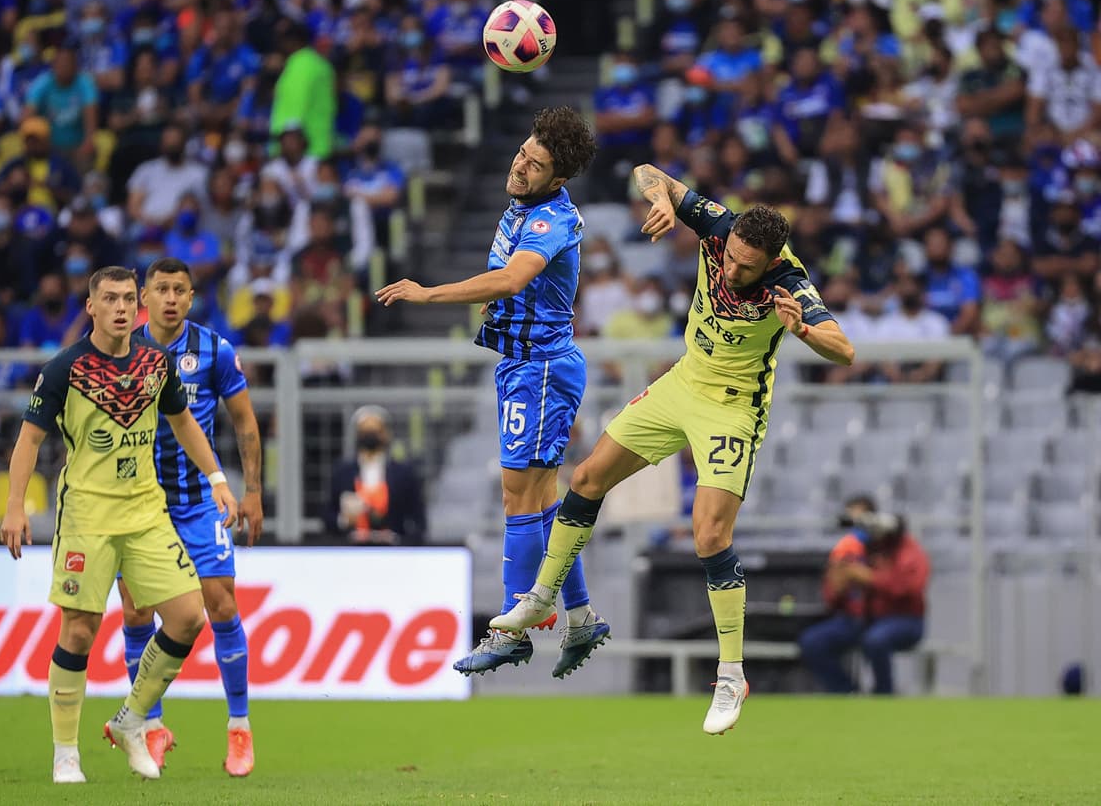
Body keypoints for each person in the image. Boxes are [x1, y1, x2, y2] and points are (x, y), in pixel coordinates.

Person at [492, 164, 855, 735]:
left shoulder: (789, 280)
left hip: (733, 406)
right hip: (682, 382)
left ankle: (731, 674)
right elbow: (645, 171)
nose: (731, 267)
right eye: (729, 256)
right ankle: (542, 597)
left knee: (710, 534)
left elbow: (845, 349)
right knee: (585, 479)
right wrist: (660, 195)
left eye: (744, 266)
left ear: (770, 262)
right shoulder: (718, 225)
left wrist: (805, 331)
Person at [376, 106, 608, 679]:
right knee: (542, 499)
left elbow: (512, 277)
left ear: (558, 178)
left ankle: (509, 628)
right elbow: (516, 286)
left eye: (536, 164)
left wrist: (427, 294)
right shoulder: (522, 205)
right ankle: (579, 618)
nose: (521, 166)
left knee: (517, 496)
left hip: (542, 368)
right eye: (523, 153)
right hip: (523, 365)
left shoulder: (550, 218)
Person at [0, 265, 245, 784]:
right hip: (88, 516)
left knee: (187, 616)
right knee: (81, 630)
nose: (119, 307)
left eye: (127, 299)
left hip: (145, 512)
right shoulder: (65, 367)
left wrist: (218, 477)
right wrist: (15, 506)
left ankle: (132, 719)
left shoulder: (157, 365)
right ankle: (66, 752)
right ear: (90, 307)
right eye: (108, 298)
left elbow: (184, 423)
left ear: (138, 307)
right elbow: (28, 440)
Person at [116, 257, 265, 777]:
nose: (172, 298)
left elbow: (244, 422)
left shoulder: (214, 350)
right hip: (136, 504)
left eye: (180, 289)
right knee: (136, 612)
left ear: (192, 296)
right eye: (162, 289)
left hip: (200, 500)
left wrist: (253, 492)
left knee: (221, 604)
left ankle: (239, 728)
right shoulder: (122, 351)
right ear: (144, 298)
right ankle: (151, 727)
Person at [799, 504, 929, 695]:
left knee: (876, 639)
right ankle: (847, 693)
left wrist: (869, 577)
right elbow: (833, 597)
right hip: (862, 619)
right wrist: (838, 587)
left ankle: (884, 695)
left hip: (903, 619)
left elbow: (909, 587)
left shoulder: (908, 550)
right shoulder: (856, 548)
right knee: (812, 641)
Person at [326, 405, 427, 545]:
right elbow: (327, 517)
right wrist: (345, 520)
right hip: (352, 551)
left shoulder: (403, 473)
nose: (370, 435)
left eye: (375, 430)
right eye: (365, 431)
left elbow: (418, 520)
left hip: (393, 552)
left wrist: (403, 542)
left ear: (386, 434)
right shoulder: (343, 472)